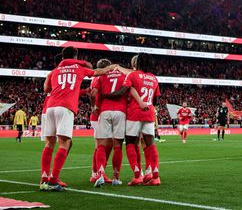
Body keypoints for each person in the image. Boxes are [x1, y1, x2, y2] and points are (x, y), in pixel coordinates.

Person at [39, 46, 116, 192]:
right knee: (65, 143)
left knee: (49, 143)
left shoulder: (54, 71)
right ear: (75, 56)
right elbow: (98, 71)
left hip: (49, 107)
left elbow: (46, 89)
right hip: (65, 108)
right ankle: (53, 180)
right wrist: (112, 67)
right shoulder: (78, 68)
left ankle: (44, 179)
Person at [104, 53, 161, 186]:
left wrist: (105, 95)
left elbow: (121, 92)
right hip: (149, 112)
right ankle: (155, 176)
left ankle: (137, 176)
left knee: (130, 143)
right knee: (150, 145)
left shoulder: (133, 75)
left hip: (135, 113)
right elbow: (156, 100)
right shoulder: (153, 78)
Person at [92, 59, 128, 187]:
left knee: (101, 144)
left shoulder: (102, 75)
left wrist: (95, 106)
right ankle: (116, 177)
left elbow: (94, 92)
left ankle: (100, 174)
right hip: (120, 111)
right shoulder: (124, 74)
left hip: (105, 111)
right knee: (117, 145)